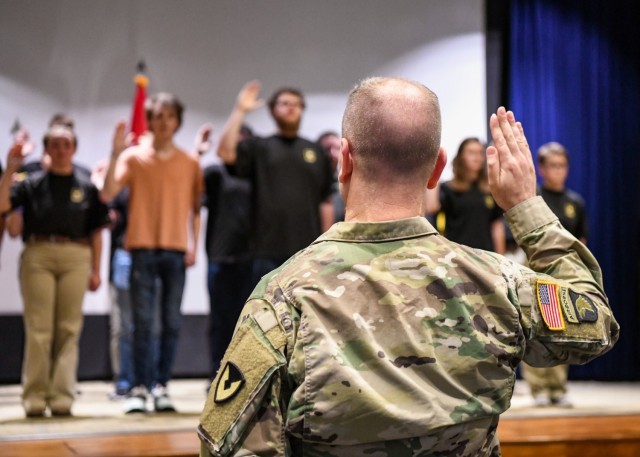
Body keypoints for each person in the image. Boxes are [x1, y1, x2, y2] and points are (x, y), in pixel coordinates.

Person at [198, 77, 619, 456]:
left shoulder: (282, 296)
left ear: (343, 159)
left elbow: (227, 446)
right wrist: (527, 208)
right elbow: (595, 324)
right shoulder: (497, 281)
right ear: (437, 167)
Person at [101, 92, 204, 414]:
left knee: (171, 323)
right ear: (149, 120)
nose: (162, 122)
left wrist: (193, 245)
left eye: (168, 116)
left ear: (177, 121)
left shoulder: (190, 162)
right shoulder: (132, 157)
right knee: (142, 323)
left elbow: (196, 209)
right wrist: (115, 153)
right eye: (156, 116)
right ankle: (138, 387)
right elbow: (107, 192)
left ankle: (161, 385)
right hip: (141, 249)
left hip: (175, 251)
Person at [0, 125, 109, 417]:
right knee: (39, 328)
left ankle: (62, 396)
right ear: (46, 149)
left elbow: (97, 232)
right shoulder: (32, 183)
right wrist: (10, 170)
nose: (61, 149)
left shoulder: (86, 186)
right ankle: (34, 396)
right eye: (55, 144)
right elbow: (3, 204)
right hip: (39, 254)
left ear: (73, 149)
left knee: (69, 329)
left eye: (66, 144)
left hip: (76, 256)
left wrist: (96, 270)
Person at [216, 81, 335, 286]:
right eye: (284, 103)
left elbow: (325, 200)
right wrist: (239, 110)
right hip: (265, 250)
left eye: (296, 104)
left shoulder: (316, 152)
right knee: (266, 313)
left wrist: (326, 244)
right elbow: (225, 153)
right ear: (272, 110)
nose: (291, 107)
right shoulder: (259, 147)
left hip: (307, 251)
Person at [520, 141, 589, 408]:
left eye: (562, 165)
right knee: (535, 325)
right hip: (535, 269)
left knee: (562, 326)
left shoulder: (575, 202)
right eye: (552, 165)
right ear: (541, 168)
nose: (557, 170)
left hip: (565, 272)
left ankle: (558, 387)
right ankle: (537, 387)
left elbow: (581, 240)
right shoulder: (534, 199)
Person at [201, 123, 254, 380]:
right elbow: (193, 200)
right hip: (220, 256)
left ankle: (245, 376)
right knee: (220, 322)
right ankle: (217, 374)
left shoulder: (256, 175)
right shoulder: (214, 173)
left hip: (252, 257)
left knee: (248, 322)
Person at [425, 137, 505, 253]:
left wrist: (501, 259)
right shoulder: (448, 188)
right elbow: (431, 207)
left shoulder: (490, 189)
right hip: (458, 257)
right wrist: (435, 169)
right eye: (471, 153)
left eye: (480, 153)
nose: (477, 158)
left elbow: (497, 226)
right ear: (461, 157)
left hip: (487, 257)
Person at [317, 131, 345, 222]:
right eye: (327, 149)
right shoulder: (310, 183)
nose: (332, 154)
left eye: (337, 148)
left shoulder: (346, 182)